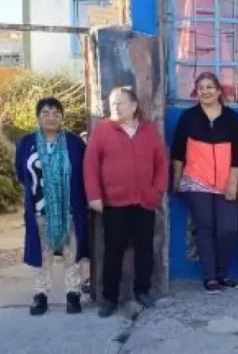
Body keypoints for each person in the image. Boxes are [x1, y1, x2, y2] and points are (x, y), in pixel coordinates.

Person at [85, 86, 168, 318]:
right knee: (113, 251)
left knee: (144, 249)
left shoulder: (148, 130)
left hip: (144, 201)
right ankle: (109, 298)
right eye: (112, 103)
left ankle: (142, 291)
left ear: (133, 106)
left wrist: (156, 192)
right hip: (114, 203)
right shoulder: (102, 130)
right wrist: (94, 196)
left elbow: (161, 164)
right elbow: (90, 165)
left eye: (120, 102)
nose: (115, 107)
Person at [171, 72, 238, 294]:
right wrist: (177, 180)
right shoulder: (188, 118)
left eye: (210, 87)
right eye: (201, 88)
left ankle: (223, 274)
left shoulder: (231, 118)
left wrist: (233, 182)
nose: (205, 91)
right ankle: (211, 277)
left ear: (219, 91)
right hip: (197, 180)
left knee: (228, 230)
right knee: (204, 229)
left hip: (226, 181)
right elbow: (178, 152)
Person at [15, 98, 89, 316]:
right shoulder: (26, 143)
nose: (51, 117)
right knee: (42, 254)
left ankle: (73, 294)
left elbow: (83, 172)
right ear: (38, 117)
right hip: (39, 209)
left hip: (70, 209)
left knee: (71, 252)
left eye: (56, 113)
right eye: (46, 113)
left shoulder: (74, 143)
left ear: (62, 117)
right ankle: (41, 295)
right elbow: (21, 173)